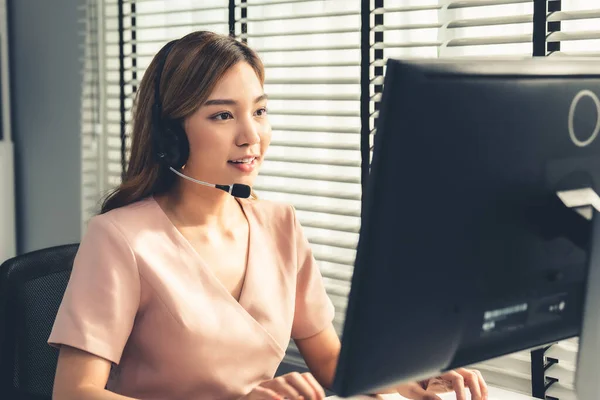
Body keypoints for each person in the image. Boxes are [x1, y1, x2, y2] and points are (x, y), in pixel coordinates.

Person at [48, 31, 488, 400]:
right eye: (223, 115)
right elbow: (74, 392)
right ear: (171, 135)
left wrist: (417, 381)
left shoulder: (280, 225)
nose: (251, 135)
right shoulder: (120, 237)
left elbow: (332, 362)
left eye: (259, 111)